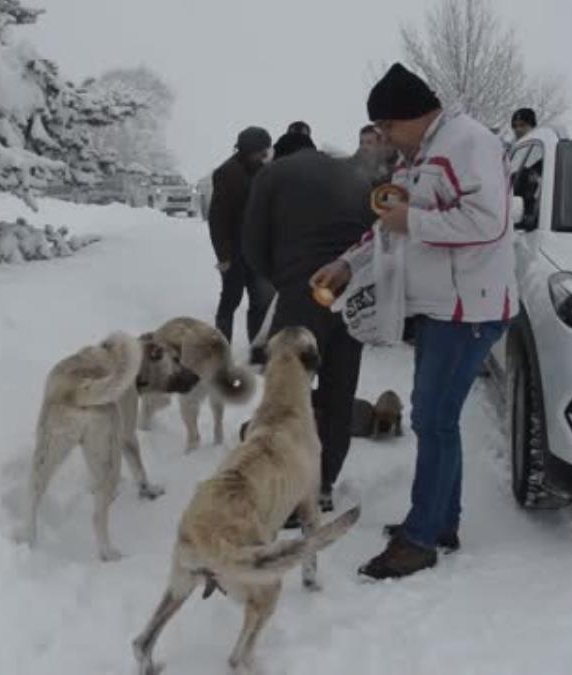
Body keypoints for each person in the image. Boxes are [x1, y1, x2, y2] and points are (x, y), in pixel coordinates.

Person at [311, 63, 518, 580]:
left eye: (385, 129)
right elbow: (389, 228)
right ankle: (439, 522)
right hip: (438, 308)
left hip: (468, 309)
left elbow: (489, 220)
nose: (383, 140)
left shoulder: (469, 143)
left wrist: (415, 221)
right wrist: (345, 263)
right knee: (437, 419)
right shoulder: (419, 156)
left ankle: (421, 538)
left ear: (407, 117)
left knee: (433, 420)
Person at [242, 130, 375, 518]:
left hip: (302, 293)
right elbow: (372, 233)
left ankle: (284, 485)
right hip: (349, 292)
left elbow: (252, 242)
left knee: (286, 394)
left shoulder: (273, 175)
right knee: (340, 389)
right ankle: (324, 484)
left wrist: (284, 280)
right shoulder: (351, 173)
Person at [209, 126, 275, 344]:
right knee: (230, 301)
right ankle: (221, 348)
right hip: (234, 252)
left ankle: (257, 349)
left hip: (257, 252)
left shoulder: (265, 170)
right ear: (248, 150)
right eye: (261, 152)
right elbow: (218, 220)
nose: (265, 156)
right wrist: (224, 257)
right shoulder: (226, 173)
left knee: (261, 302)